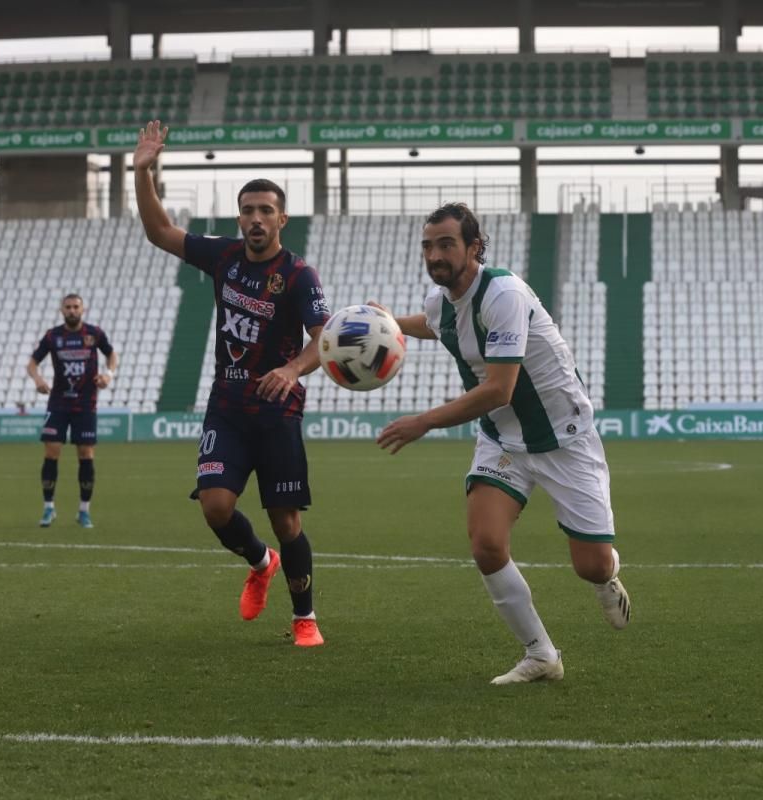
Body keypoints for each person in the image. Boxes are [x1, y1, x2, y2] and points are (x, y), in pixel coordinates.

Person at [375, 202, 631, 685]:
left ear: (474, 247)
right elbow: (433, 324)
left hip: (563, 437)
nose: (435, 254)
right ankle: (541, 654)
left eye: (446, 244)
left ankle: (608, 570)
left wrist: (424, 422)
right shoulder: (442, 301)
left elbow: (499, 389)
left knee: (590, 566)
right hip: (503, 439)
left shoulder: (504, 294)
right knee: (487, 545)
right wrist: (386, 323)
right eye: (428, 245)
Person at [132, 120, 330, 648]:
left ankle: (305, 618)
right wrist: (142, 174)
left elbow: (323, 339)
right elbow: (159, 233)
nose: (256, 218)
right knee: (216, 507)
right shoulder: (222, 255)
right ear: (239, 218)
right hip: (227, 403)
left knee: (287, 521)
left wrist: (291, 370)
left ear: (282, 218)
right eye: (248, 210)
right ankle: (259, 562)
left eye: (266, 210)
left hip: (278, 411)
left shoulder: (298, 276)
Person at [26, 293, 118, 529]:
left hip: (86, 404)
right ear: (62, 310)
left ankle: (84, 511)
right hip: (58, 403)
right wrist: (37, 379)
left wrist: (108, 375)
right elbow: (33, 363)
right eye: (68, 307)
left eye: (76, 307)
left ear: (83, 309)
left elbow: (111, 354)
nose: (72, 310)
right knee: (51, 451)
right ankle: (48, 508)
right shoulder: (53, 336)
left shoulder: (94, 334)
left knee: (86, 455)